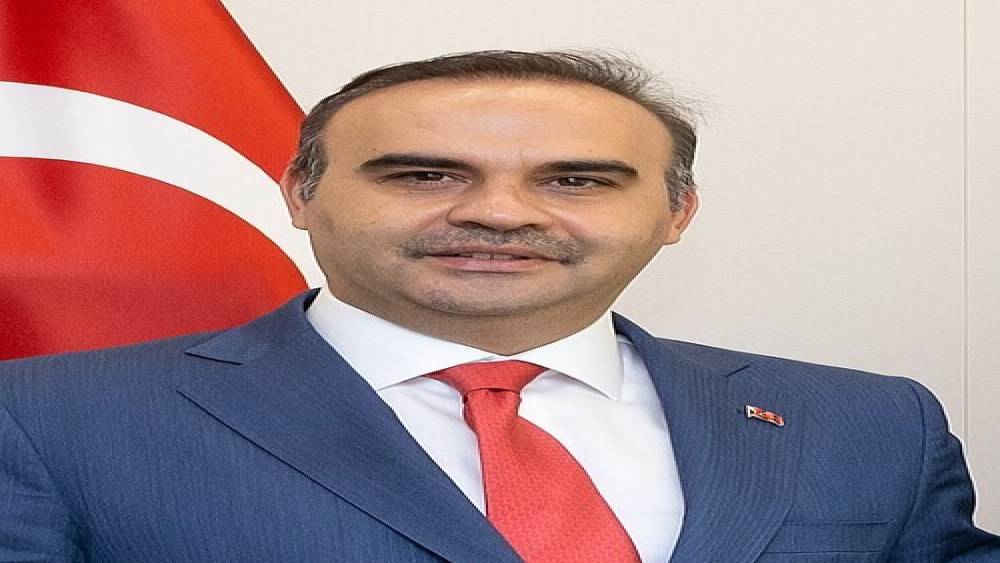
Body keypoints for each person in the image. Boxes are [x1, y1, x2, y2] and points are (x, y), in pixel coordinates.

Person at [1, 50, 997, 563]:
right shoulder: (46, 420)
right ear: (300, 192)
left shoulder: (870, 424)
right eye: (425, 173)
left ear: (675, 212)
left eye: (576, 180)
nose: (498, 212)